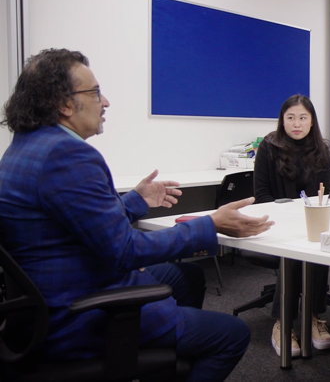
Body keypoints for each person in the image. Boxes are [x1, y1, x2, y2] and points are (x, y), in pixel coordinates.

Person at [0, 49, 275, 382]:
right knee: (231, 335)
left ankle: (164, 360)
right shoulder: (68, 155)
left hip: (41, 304)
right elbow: (125, 251)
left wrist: (134, 202)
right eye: (96, 92)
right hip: (74, 316)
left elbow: (77, 224)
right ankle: (162, 348)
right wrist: (211, 224)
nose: (106, 102)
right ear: (65, 104)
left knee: (188, 277)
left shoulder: (26, 147)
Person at [253, 94, 330, 357]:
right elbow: (261, 195)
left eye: (303, 118)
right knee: (292, 253)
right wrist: (287, 218)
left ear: (312, 122)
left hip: (310, 223)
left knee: (320, 244)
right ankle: (283, 322)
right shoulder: (268, 147)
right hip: (276, 224)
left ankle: (312, 316)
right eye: (290, 118)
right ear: (282, 121)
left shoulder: (321, 149)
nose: (296, 124)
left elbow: (327, 194)